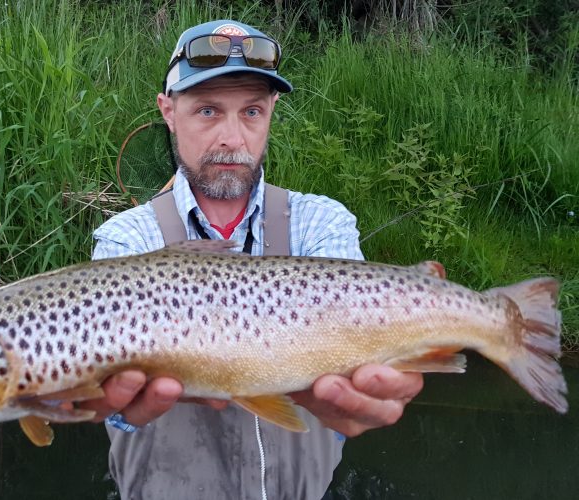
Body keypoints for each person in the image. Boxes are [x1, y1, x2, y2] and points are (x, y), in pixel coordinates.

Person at [84, 20, 423, 499]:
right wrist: (112, 409)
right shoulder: (126, 241)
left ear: (271, 113)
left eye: (251, 112)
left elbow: (362, 342)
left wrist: (351, 411)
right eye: (207, 110)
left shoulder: (322, 223)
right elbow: (108, 387)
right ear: (168, 112)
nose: (232, 138)